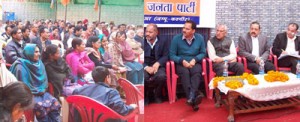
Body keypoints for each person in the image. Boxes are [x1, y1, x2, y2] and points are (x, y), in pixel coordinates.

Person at [9, 44, 61, 121]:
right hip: (28, 94)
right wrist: (37, 92)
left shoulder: (39, 63)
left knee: (55, 102)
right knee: (40, 107)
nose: (39, 54)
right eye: (36, 52)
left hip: (41, 92)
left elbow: (44, 81)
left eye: (39, 51)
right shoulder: (20, 65)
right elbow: (23, 86)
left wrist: (41, 90)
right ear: (29, 53)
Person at [169, 20, 204, 111]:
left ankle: (191, 98)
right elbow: (171, 55)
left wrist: (195, 59)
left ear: (193, 31)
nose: (184, 30)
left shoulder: (200, 38)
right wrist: (181, 61)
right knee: (185, 73)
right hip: (181, 63)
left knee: (196, 72)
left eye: (187, 29)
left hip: (194, 62)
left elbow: (203, 53)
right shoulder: (176, 39)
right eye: (183, 28)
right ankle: (192, 98)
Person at [73, 66, 137, 115]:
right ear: (107, 78)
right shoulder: (111, 92)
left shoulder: (79, 90)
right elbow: (122, 110)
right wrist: (131, 107)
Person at [144, 24, 169, 105]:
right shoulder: (141, 41)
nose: (147, 34)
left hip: (158, 65)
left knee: (161, 77)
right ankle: (146, 95)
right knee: (143, 77)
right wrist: (146, 67)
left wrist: (158, 63)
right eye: (146, 31)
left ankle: (157, 95)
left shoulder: (163, 40)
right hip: (145, 65)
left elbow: (167, 55)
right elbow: (137, 57)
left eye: (150, 32)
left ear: (156, 32)